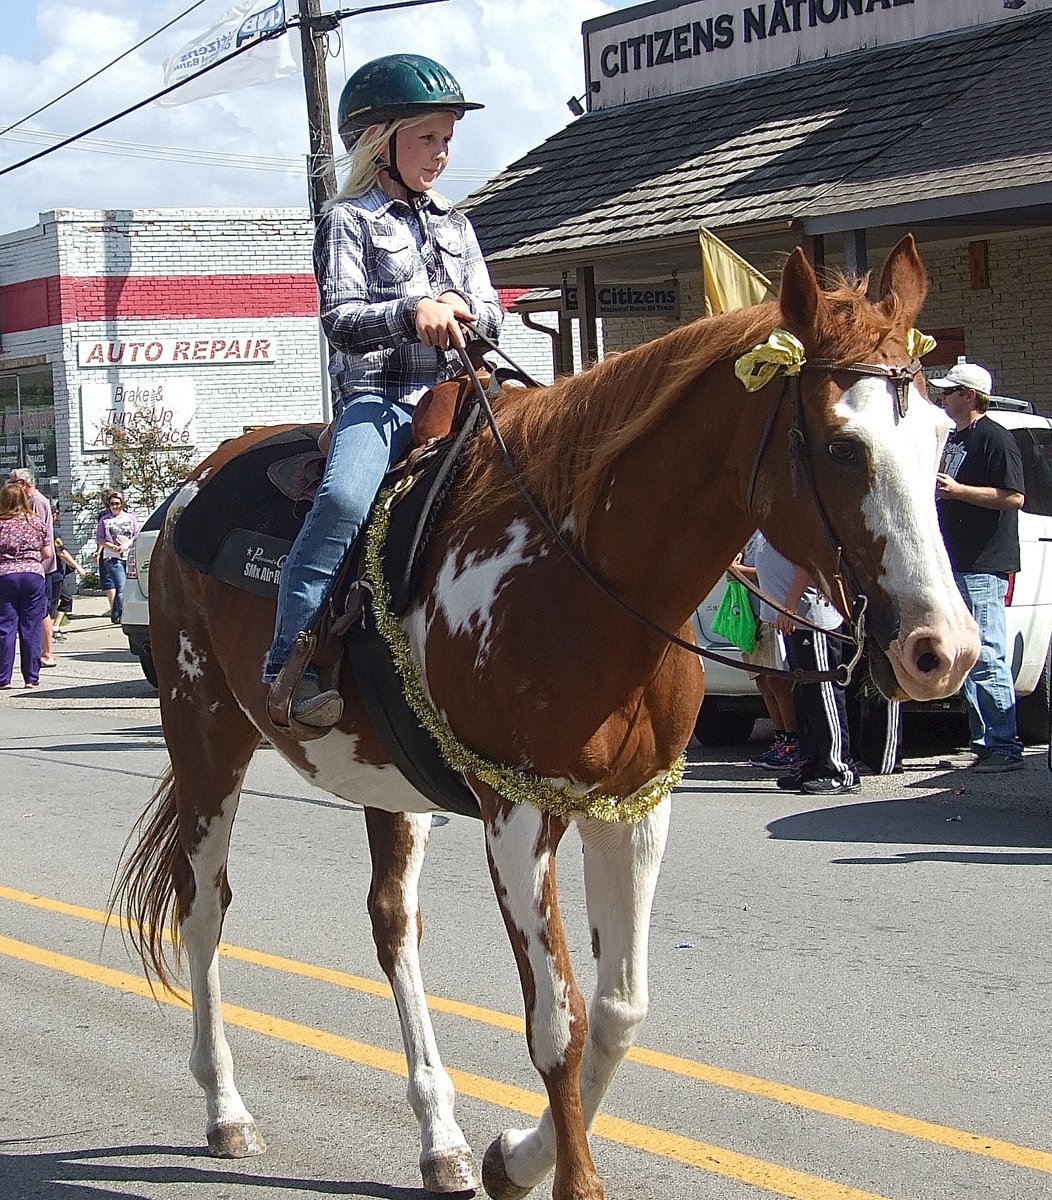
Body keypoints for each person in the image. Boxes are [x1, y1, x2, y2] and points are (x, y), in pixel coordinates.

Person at [263, 53, 502, 733]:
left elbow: (491, 313)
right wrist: (410, 311)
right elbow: (340, 320)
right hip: (382, 399)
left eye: (447, 139)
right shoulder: (347, 222)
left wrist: (461, 305)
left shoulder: (458, 222)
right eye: (427, 137)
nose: (441, 153)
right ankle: (291, 662)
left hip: (461, 394)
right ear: (380, 141)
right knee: (341, 499)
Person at [932, 361, 1026, 773]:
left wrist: (959, 491)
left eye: (949, 392)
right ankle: (984, 742)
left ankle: (1005, 746)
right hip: (953, 562)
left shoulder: (995, 438)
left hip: (982, 564)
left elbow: (1014, 497)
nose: (943, 399)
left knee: (987, 652)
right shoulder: (955, 438)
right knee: (966, 653)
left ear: (969, 395)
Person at [752, 539, 860, 795]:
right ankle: (815, 763)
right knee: (807, 698)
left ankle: (840, 768)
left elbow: (811, 564)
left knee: (824, 695)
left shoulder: (796, 521)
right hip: (792, 622)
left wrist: (789, 606)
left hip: (809, 619)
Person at [733, 533, 804, 771]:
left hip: (774, 613)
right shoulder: (751, 535)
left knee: (777, 679)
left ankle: (793, 741)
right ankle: (780, 737)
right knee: (762, 680)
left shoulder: (775, 532)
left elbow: (770, 572)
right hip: (753, 614)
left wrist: (741, 571)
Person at [0, 482, 49, 688]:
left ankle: (3, 678)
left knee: (5, 627)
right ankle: (31, 678)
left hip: (5, 576)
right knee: (31, 627)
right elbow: (47, 553)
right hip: (32, 575)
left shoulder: (1, 523)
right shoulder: (35, 521)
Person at [8, 468, 56, 666]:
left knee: (40, 613)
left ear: (22, 483)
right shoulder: (34, 500)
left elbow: (35, 536)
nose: (9, 486)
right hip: (35, 567)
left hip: (39, 567)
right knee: (39, 611)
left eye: (12, 482)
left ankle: (47, 653)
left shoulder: (35, 502)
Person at [95, 492, 140, 624]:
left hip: (129, 556)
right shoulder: (105, 520)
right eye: (112, 504)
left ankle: (116, 613)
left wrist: (127, 544)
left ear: (122, 504)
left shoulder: (130, 518)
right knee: (121, 586)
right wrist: (111, 547)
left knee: (128, 586)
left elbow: (137, 535)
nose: (114, 506)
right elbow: (100, 538)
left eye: (117, 504)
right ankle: (121, 615)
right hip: (112, 558)